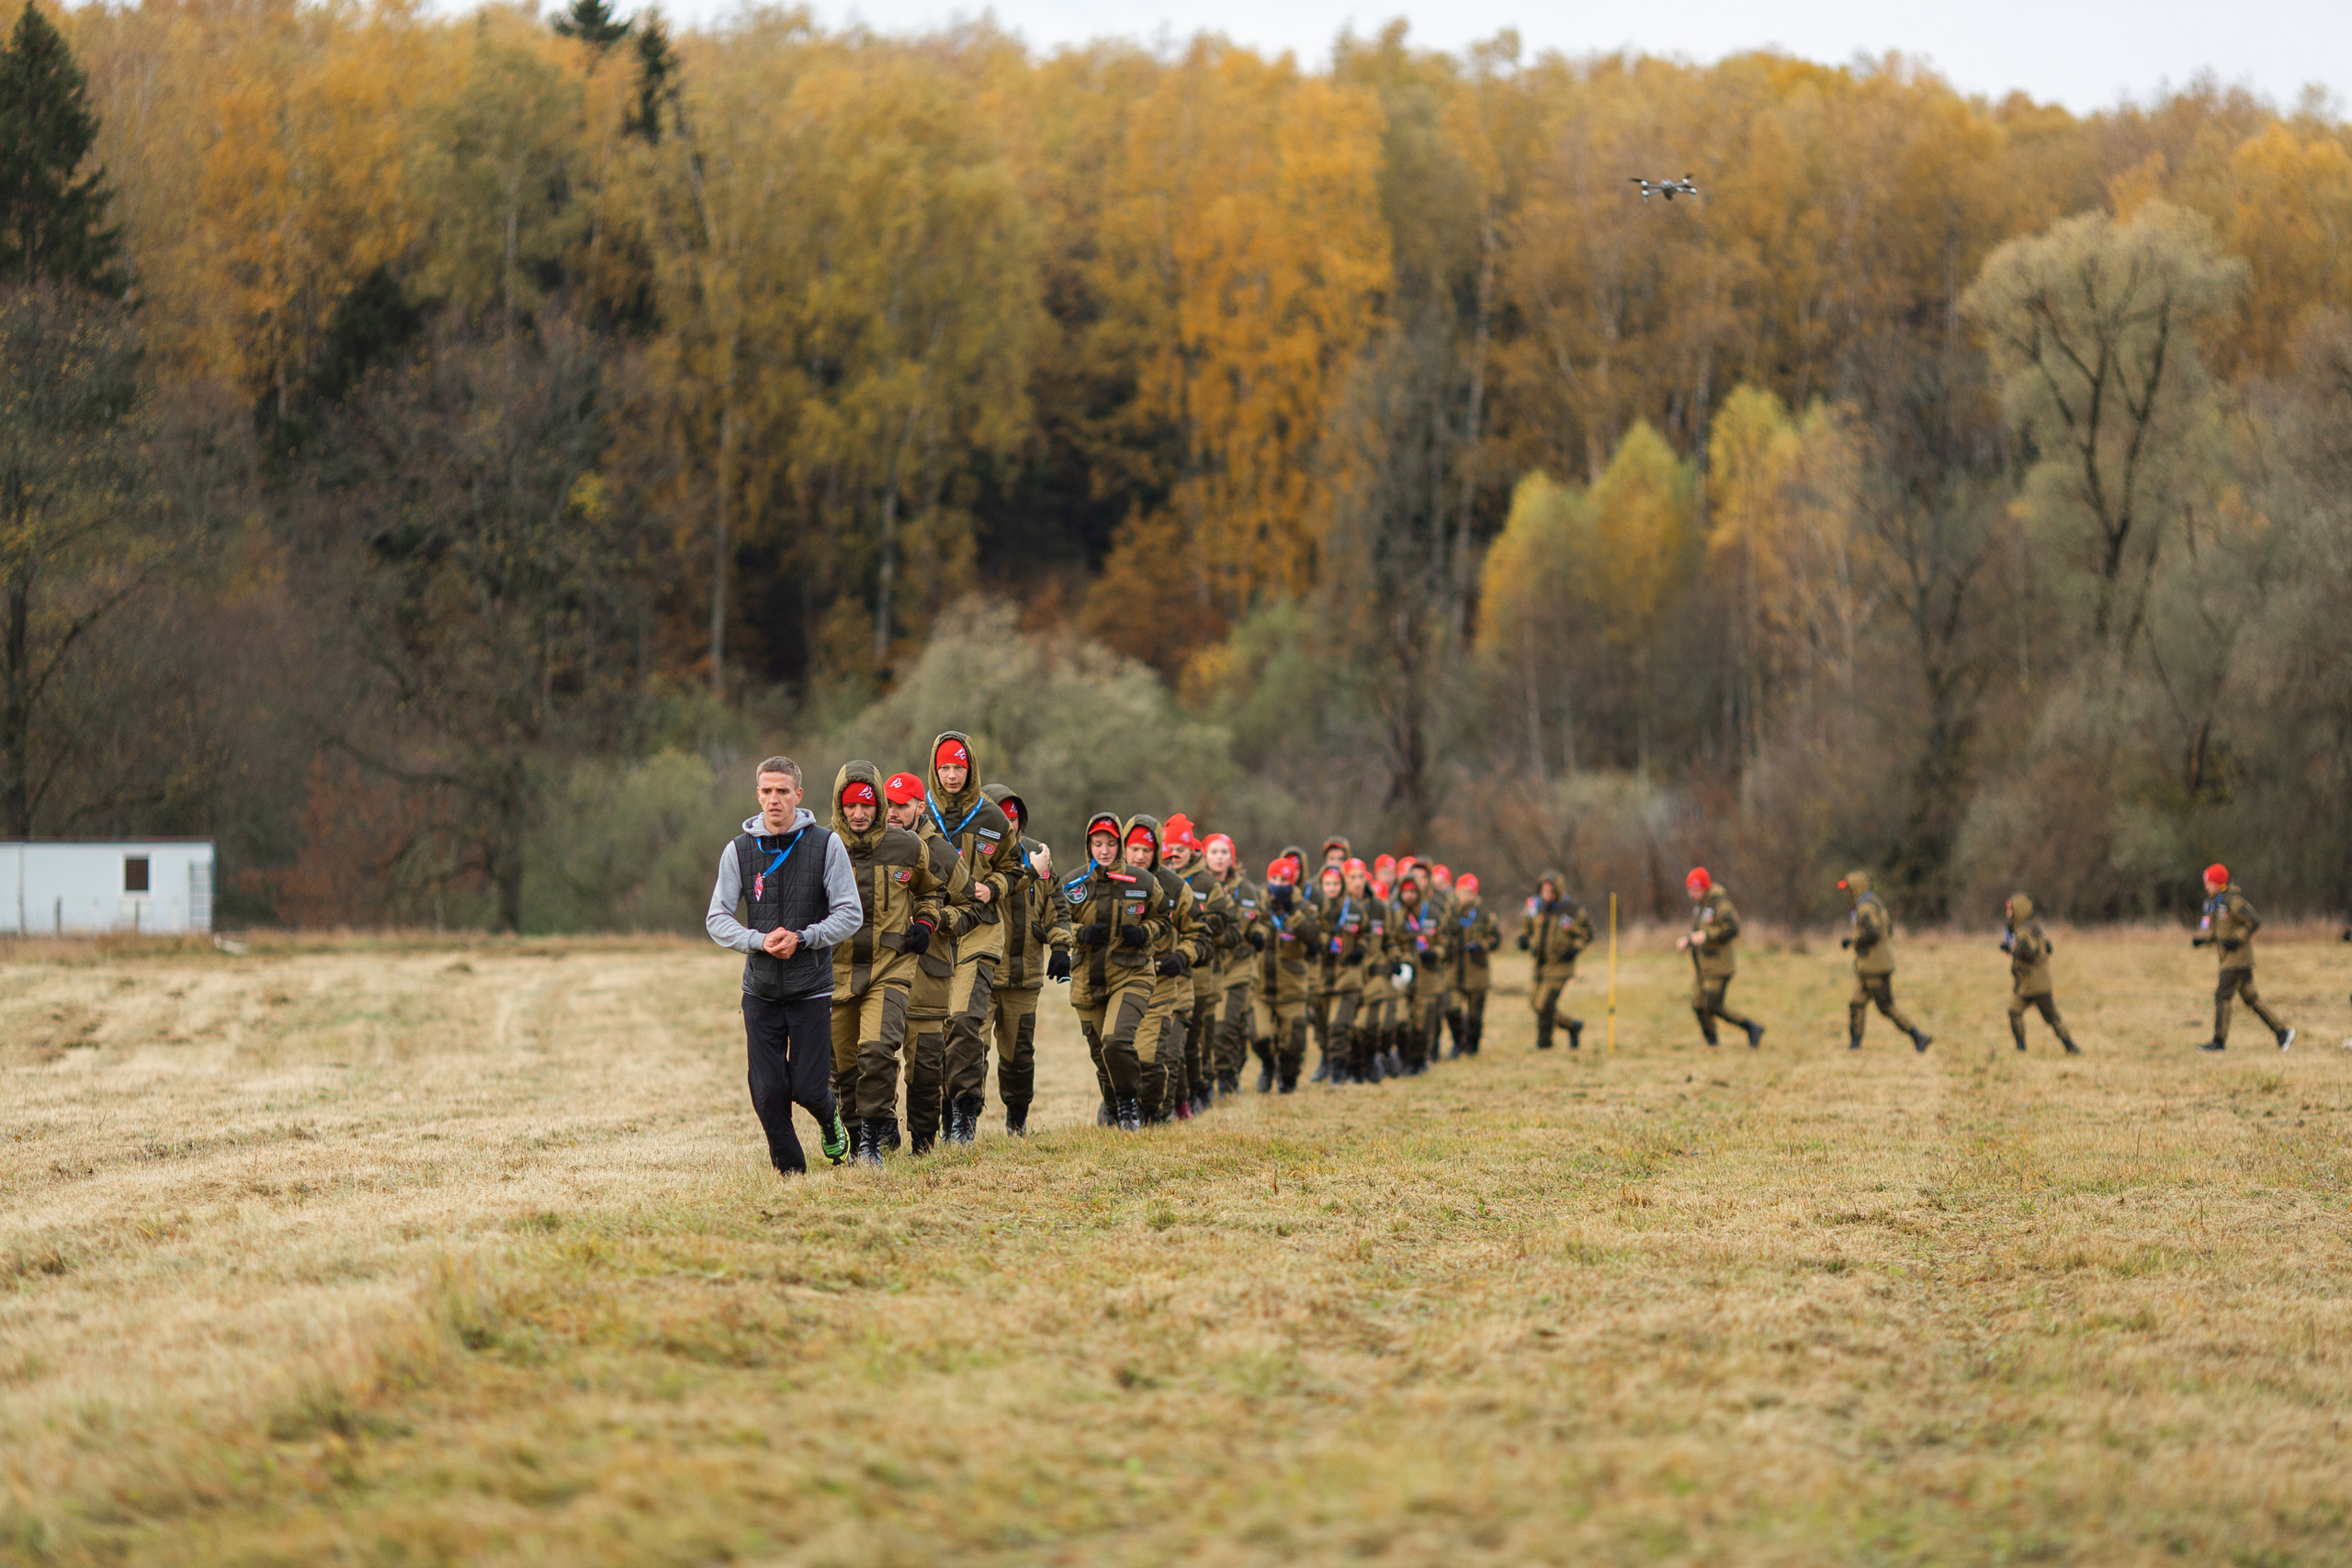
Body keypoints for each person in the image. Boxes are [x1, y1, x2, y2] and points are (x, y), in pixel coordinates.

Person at [704, 755, 862, 1177]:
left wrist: (804, 937)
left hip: (810, 987)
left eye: (783, 791)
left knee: (810, 1089)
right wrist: (756, 941)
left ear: (798, 795)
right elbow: (717, 918)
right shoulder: (738, 850)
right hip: (760, 991)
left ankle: (830, 1117)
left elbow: (851, 913)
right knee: (768, 1091)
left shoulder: (826, 845)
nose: (774, 800)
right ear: (757, 794)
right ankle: (792, 1172)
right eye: (767, 791)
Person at [824, 762, 960, 1165]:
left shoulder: (906, 846)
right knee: (844, 1067)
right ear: (840, 806)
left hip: (890, 967)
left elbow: (933, 891)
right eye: (851, 806)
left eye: (867, 805)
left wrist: (924, 922)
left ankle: (870, 1140)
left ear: (880, 805)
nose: (859, 814)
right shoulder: (823, 846)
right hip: (837, 970)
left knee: (878, 1051)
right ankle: (853, 1137)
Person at [922, 734, 1016, 1145]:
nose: (952, 775)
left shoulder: (992, 817)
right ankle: (942, 1114)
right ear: (935, 770)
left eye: (959, 767)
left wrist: (992, 888)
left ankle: (964, 1114)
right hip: (937, 933)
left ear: (971, 769)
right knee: (939, 1029)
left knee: (964, 1021)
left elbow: (1016, 868)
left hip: (981, 929)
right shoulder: (920, 814)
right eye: (945, 767)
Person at [1063, 811, 1172, 1130]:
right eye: (1098, 844)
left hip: (1132, 974)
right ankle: (1112, 1110)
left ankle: (1128, 1106)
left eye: (1111, 843)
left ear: (1120, 846)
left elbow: (1164, 919)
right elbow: (1050, 924)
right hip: (1087, 978)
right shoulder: (1073, 883)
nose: (1105, 850)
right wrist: (1079, 933)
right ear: (1088, 845)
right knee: (1102, 1055)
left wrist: (1145, 933)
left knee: (1115, 1041)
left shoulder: (1143, 881)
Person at [892, 772, 973, 1155]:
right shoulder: (872, 848)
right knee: (872, 1059)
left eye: (901, 805)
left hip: (930, 970)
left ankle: (923, 1143)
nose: (892, 813)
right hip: (879, 970)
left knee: (924, 1068)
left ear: (920, 807)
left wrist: (940, 921)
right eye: (888, 805)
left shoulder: (941, 852)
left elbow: (972, 904)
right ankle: (880, 1133)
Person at [982, 783, 1069, 1134]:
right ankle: (962, 1120)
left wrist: (1061, 946)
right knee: (968, 1051)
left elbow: (1057, 907)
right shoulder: (976, 854)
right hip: (980, 971)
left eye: (1014, 818)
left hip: (1024, 975)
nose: (1009, 825)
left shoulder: (1040, 855)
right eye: (1001, 818)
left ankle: (1016, 1121)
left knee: (1017, 1057)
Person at [1161, 815, 1237, 1115]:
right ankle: (1172, 1096)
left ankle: (1196, 1089)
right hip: (1166, 970)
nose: (1175, 854)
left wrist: (1199, 922)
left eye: (1181, 848)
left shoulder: (1206, 881)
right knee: (1169, 1041)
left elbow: (1227, 923)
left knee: (1194, 1042)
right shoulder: (1157, 877)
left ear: (1192, 850)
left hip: (1200, 976)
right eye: (1170, 848)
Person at [2194, 863, 2294, 1052]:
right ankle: (2282, 1032)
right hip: (2230, 959)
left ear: (2218, 882)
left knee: (2222, 996)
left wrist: (2236, 939)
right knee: (2251, 998)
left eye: (2209, 882)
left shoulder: (2234, 901)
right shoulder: (2217, 904)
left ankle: (2218, 1041)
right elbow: (2218, 932)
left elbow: (2254, 921)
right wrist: (2201, 940)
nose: (2206, 886)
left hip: (2237, 960)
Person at [1840, 869, 1930, 1053]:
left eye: (1847, 888)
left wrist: (1853, 941)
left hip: (1875, 967)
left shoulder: (1865, 908)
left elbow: (1872, 933)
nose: (1846, 893)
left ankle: (1918, 1036)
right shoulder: (1874, 903)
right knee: (1856, 1003)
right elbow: (1887, 930)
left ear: (1856, 887)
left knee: (1886, 1007)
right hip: (1869, 966)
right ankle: (1854, 1045)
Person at [1252, 855, 1322, 1092]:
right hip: (1260, 986)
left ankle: (1288, 1078)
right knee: (1259, 1035)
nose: (1278, 883)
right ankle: (1268, 1064)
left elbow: (1313, 936)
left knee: (1293, 1043)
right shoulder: (1257, 904)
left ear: (1292, 882)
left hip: (1291, 987)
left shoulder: (1305, 906)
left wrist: (1293, 911)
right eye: (1274, 878)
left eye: (1284, 879)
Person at [1203, 831, 1263, 1098]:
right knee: (1219, 1026)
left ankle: (1227, 1077)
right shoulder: (1196, 884)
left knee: (1227, 1023)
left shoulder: (1247, 890)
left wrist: (1259, 933)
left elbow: (1260, 920)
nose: (1219, 857)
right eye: (1214, 852)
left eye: (1224, 852)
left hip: (1240, 965)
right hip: (1208, 963)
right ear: (1204, 856)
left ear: (1232, 858)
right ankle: (1216, 1074)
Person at [1676, 867, 1764, 1050]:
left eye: (1693, 889)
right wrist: (1688, 940)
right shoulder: (1701, 906)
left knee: (1714, 1006)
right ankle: (1712, 1044)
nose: (1690, 894)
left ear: (1702, 887)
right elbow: (1700, 931)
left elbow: (1732, 928)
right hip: (1704, 966)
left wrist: (1707, 936)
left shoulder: (1720, 904)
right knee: (1698, 1004)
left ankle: (1751, 1027)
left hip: (1719, 965)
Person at [1517, 871, 1594, 1051]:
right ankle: (1572, 1026)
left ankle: (1544, 1043)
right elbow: (1524, 927)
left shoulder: (1572, 911)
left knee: (1545, 1005)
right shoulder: (1534, 907)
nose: (1547, 896)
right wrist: (1522, 938)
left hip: (1560, 966)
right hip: (1540, 965)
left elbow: (1586, 934)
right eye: (1544, 892)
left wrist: (1574, 949)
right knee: (1535, 1004)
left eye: (1551, 892)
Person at [2000, 892, 2080, 1055]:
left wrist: (2010, 949)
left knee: (2051, 1018)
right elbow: (2048, 947)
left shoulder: (2023, 932)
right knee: (2014, 1012)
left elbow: (2027, 953)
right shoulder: (2033, 929)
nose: (2009, 916)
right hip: (2027, 984)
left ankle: (2071, 1047)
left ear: (2018, 912)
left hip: (2036, 986)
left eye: (2011, 912)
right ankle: (2020, 1048)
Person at [1442, 873, 1499, 1056]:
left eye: (1469, 892)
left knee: (1475, 1015)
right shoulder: (1447, 912)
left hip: (1476, 972)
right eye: (1462, 891)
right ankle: (1459, 1040)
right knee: (1452, 1008)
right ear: (1456, 891)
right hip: (1453, 970)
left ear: (1475, 894)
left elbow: (1495, 939)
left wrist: (1481, 946)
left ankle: (1473, 1044)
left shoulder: (1484, 915)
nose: (1465, 896)